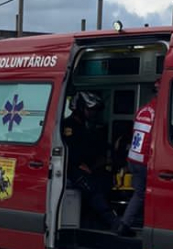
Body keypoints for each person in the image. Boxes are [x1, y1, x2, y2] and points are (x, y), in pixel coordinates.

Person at [63, 91, 123, 232]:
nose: (93, 113)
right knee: (92, 188)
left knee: (105, 181)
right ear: (80, 108)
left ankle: (95, 223)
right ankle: (113, 222)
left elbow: (94, 147)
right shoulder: (69, 127)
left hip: (91, 167)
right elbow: (69, 150)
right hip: (71, 169)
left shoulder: (88, 127)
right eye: (90, 110)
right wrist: (79, 164)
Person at [118, 80, 159, 236]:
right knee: (143, 195)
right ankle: (125, 225)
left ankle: (127, 223)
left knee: (139, 194)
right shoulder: (159, 112)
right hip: (143, 161)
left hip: (133, 159)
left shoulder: (143, 110)